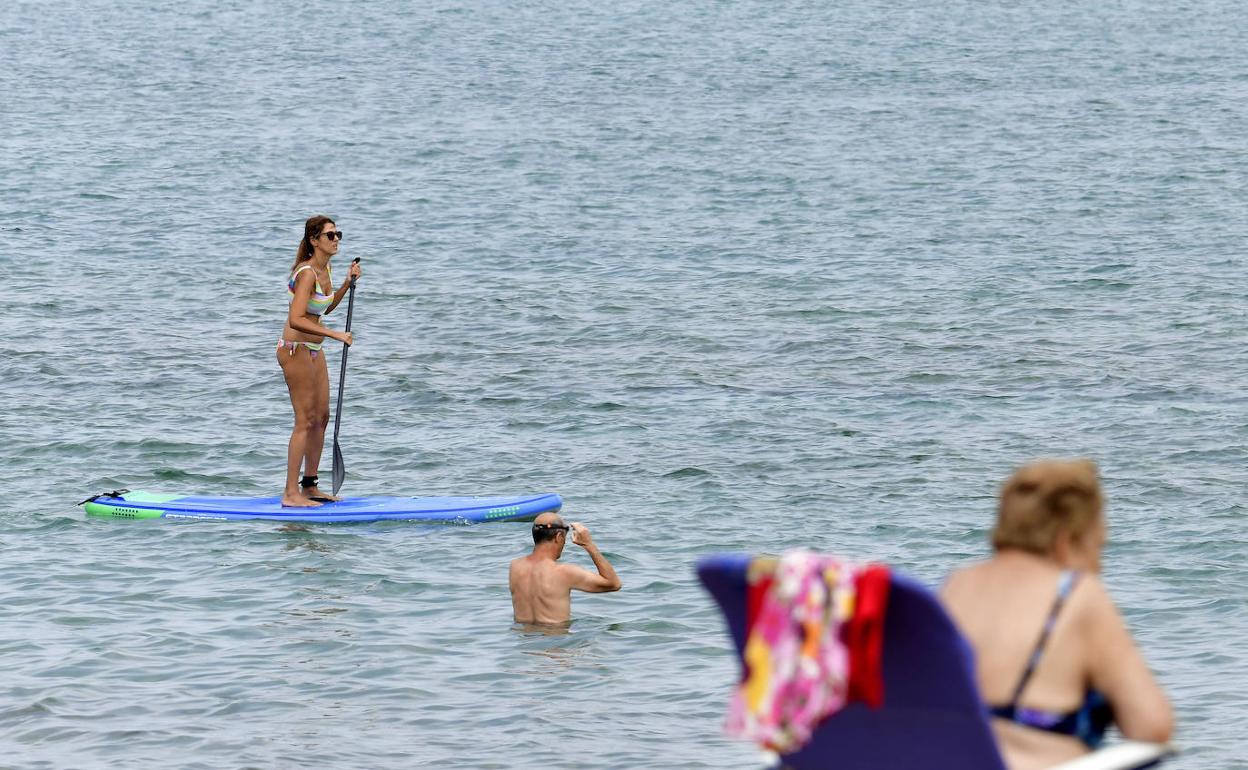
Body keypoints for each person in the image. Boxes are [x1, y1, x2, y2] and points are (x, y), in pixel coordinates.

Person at [940, 459, 1173, 770]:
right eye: (1096, 547)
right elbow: (1151, 725)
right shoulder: (1076, 594)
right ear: (1065, 541)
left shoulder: (957, 585)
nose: (1098, 565)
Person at [277, 215, 362, 507]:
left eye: (338, 234)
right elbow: (297, 318)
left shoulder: (325, 271)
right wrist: (336, 335)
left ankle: (310, 486)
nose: (336, 239)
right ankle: (290, 494)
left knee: (321, 419)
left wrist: (346, 284)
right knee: (305, 420)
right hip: (294, 348)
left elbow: (323, 309)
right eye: (329, 235)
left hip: (314, 349)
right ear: (314, 241)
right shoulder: (307, 273)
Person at [509, 512, 622, 625]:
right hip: (555, 640)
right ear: (558, 537)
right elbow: (614, 583)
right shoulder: (565, 572)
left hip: (525, 640)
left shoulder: (515, 567)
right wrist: (588, 545)